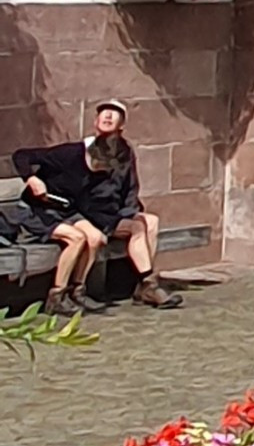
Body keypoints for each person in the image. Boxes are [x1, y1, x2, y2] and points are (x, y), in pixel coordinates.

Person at [13, 104, 181, 310]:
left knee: (96, 237)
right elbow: (22, 155)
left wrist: (125, 214)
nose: (102, 172)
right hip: (38, 209)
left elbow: (122, 190)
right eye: (100, 166)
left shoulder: (112, 160)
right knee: (77, 238)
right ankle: (57, 296)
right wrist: (31, 178)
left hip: (67, 210)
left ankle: (80, 290)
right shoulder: (69, 154)